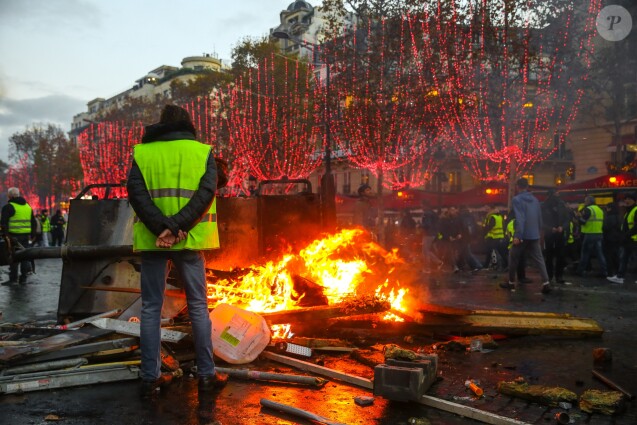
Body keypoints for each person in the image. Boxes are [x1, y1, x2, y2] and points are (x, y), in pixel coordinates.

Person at [126, 104, 227, 398]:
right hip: (189, 238)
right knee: (198, 306)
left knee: (150, 308)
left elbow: (136, 194)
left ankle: (150, 377)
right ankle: (206, 375)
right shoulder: (202, 152)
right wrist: (178, 226)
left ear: (161, 124)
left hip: (153, 239)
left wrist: (161, 228)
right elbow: (206, 193)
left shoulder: (142, 154)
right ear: (188, 124)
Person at [500, 178, 551, 293]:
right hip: (534, 234)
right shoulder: (535, 200)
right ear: (528, 186)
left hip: (523, 234)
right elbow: (539, 217)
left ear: (518, 187)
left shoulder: (517, 200)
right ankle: (546, 282)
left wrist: (518, 235)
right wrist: (539, 231)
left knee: (513, 257)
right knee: (539, 259)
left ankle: (511, 282)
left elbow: (520, 217)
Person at [0, 187, 36, 285]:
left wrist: (4, 235)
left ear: (9, 196)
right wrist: (33, 235)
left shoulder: (8, 207)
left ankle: (13, 279)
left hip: (12, 236)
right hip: (26, 236)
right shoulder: (28, 207)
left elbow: (3, 223)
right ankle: (23, 278)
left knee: (13, 256)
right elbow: (33, 222)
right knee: (24, 257)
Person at [608, 193, 637, 284]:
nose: (626, 201)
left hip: (634, 239)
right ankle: (620, 276)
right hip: (628, 240)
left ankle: (620, 276)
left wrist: (626, 235)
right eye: (626, 199)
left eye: (629, 199)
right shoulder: (628, 211)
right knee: (624, 258)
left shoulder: (635, 210)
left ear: (634, 201)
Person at [541, 189, 569, 284]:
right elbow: (541, 222)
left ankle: (558, 276)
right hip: (550, 233)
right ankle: (549, 275)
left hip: (559, 233)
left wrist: (562, 227)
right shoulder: (544, 206)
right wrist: (550, 228)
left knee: (560, 255)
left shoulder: (561, 205)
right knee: (549, 255)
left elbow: (567, 220)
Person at [576, 195, 608, 278]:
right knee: (600, 254)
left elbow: (583, 222)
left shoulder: (588, 209)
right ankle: (604, 271)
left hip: (589, 234)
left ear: (589, 201)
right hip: (599, 233)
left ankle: (580, 271)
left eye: (585, 201)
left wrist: (579, 217)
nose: (584, 202)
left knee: (585, 253)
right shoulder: (600, 210)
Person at [482, 204, 507, 270]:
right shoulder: (499, 216)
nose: (485, 209)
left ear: (491, 208)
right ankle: (507, 265)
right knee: (501, 252)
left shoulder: (491, 217)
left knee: (491, 251)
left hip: (493, 237)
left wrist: (483, 230)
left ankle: (489, 265)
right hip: (499, 236)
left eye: (487, 207)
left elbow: (489, 227)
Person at [420, 201, 443, 271]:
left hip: (428, 234)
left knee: (425, 251)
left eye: (422, 205)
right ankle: (438, 262)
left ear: (425, 205)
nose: (421, 207)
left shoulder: (427, 213)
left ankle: (427, 268)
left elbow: (427, 224)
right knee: (426, 250)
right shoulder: (432, 213)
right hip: (433, 234)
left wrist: (420, 225)